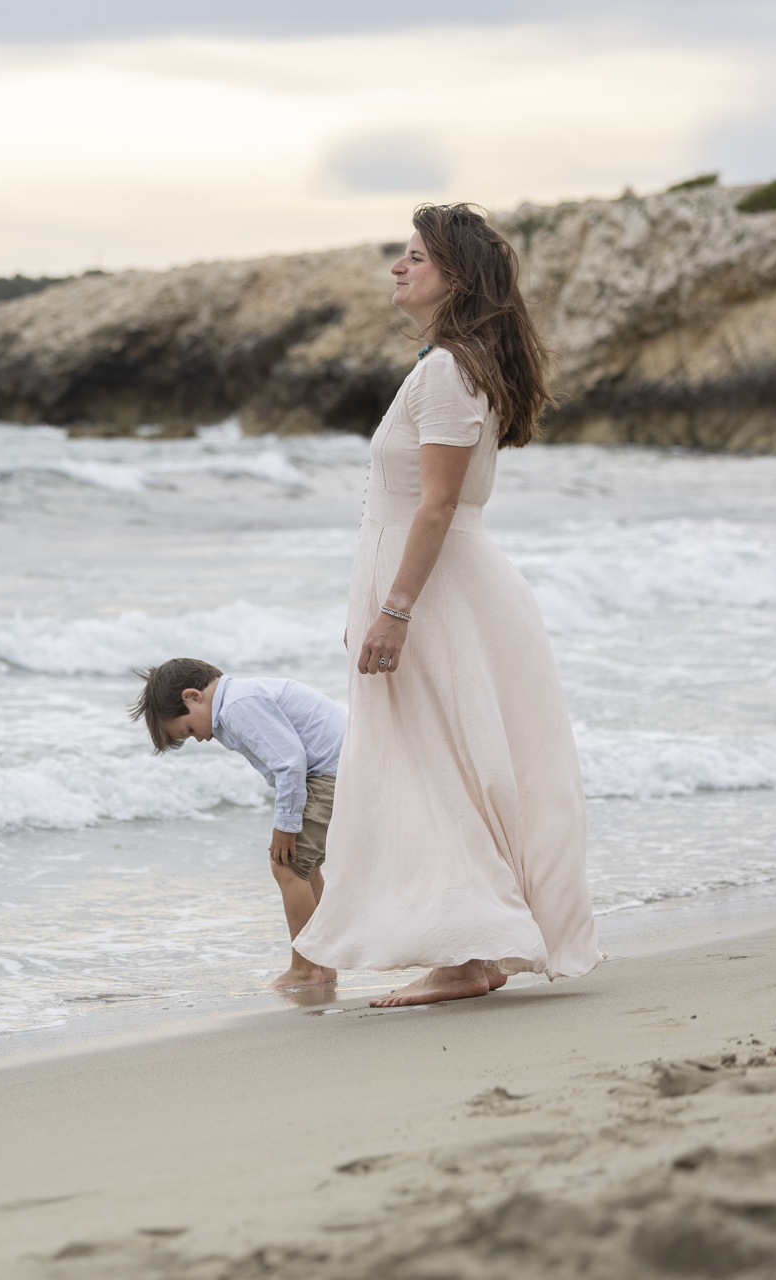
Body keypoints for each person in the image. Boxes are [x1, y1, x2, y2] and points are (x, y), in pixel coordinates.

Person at [291, 203, 601, 1007]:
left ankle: (467, 954)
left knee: (435, 769)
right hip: (433, 589)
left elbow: (435, 505)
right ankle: (474, 945)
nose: (398, 268)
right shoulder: (450, 366)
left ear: (456, 280)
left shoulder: (447, 371)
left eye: (416, 257)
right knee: (439, 765)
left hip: (437, 597)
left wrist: (395, 610)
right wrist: (373, 606)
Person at [131, 657, 346, 990]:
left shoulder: (236, 706)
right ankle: (322, 962)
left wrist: (285, 827)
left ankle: (306, 968)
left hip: (332, 772)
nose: (198, 739)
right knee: (306, 866)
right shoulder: (241, 697)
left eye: (189, 730)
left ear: (192, 697)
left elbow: (290, 763)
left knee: (287, 866)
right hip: (342, 768)